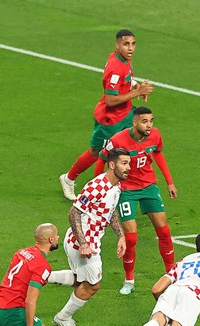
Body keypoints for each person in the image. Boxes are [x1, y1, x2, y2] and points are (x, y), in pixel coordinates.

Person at [58, 29, 153, 201]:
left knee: (134, 144)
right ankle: (69, 179)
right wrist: (137, 92)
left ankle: (124, 186)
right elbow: (110, 100)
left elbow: (127, 79)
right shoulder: (115, 68)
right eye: (126, 44)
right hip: (110, 119)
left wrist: (135, 86)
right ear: (117, 46)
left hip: (126, 114)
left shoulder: (124, 59)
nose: (130, 48)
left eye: (133, 44)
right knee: (97, 152)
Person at [48, 148, 131, 326]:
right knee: (92, 285)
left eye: (129, 163)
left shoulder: (116, 185)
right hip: (83, 242)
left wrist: (121, 236)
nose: (128, 168)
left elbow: (110, 211)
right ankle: (63, 317)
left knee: (82, 280)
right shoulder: (96, 186)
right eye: (124, 164)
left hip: (90, 240)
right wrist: (84, 243)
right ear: (112, 165)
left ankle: (41, 276)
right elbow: (73, 212)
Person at [100, 106, 178, 295]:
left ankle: (171, 274)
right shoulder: (118, 140)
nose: (149, 125)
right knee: (131, 237)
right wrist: (101, 187)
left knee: (164, 231)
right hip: (127, 190)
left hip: (149, 186)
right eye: (145, 121)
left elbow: (158, 153)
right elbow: (102, 158)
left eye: (151, 121)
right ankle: (129, 280)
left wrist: (169, 182)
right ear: (134, 122)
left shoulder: (155, 135)